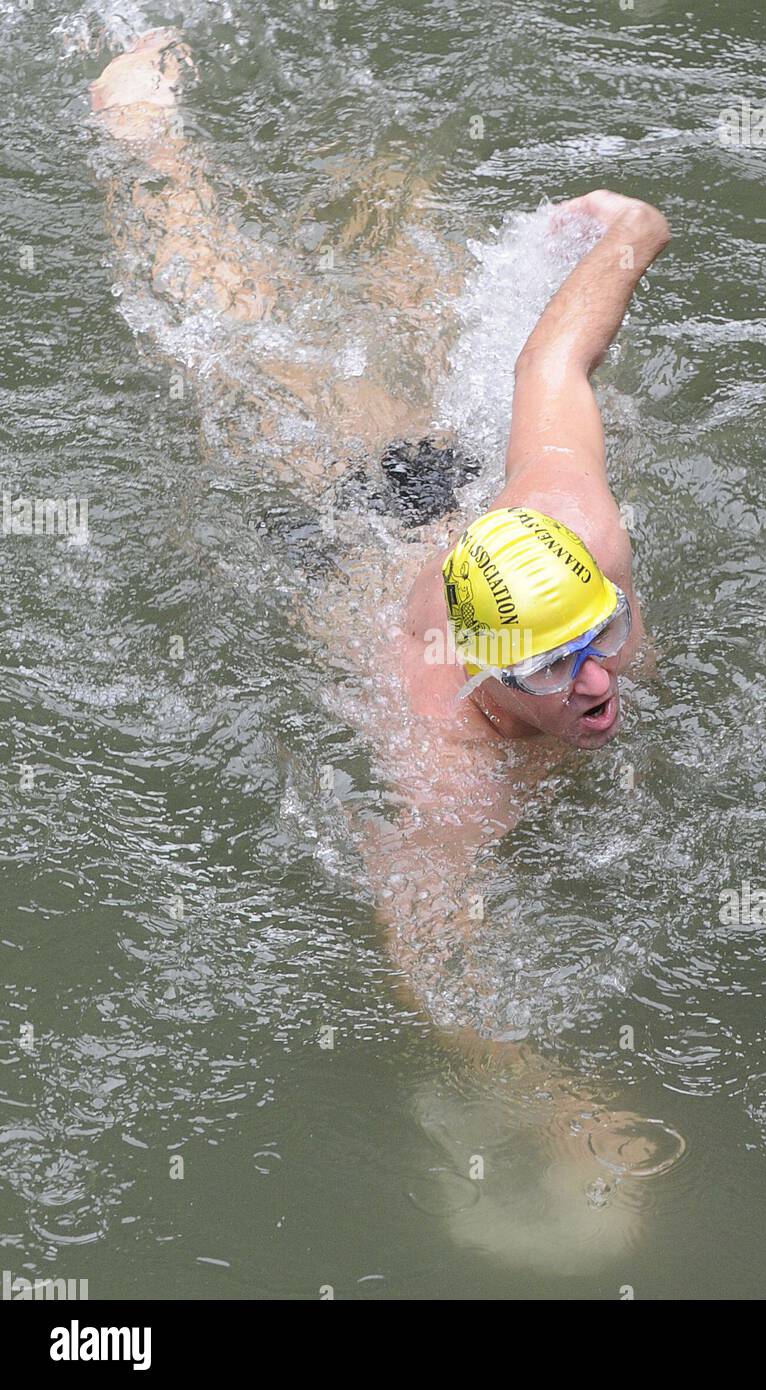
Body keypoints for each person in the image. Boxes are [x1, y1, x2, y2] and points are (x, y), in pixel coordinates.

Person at [90, 29, 682, 1270]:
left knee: (415, 244)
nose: (597, 681)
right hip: (345, 525)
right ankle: (142, 138)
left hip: (456, 500)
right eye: (551, 670)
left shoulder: (570, 522)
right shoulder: (450, 767)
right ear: (479, 680)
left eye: (599, 638)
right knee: (237, 328)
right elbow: (430, 949)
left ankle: (350, 124)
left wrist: (632, 229)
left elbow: (553, 354)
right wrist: (540, 1093)